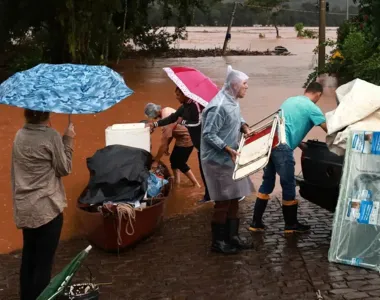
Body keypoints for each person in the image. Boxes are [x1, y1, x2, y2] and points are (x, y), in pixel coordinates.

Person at [11, 109, 75, 300]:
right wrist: (68, 139)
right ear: (48, 114)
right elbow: (64, 168)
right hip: (47, 209)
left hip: (26, 208)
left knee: (29, 258)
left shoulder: (19, 135)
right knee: (44, 263)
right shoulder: (52, 136)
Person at [250, 82, 327, 234]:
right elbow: (328, 129)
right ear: (318, 94)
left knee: (268, 181)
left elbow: (286, 126)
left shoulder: (289, 101)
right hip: (283, 148)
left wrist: (299, 144)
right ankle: (291, 225)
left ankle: (255, 222)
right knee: (289, 184)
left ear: (306, 90)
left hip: (271, 143)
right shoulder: (313, 108)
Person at [201, 65, 254, 255]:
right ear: (234, 85)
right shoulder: (218, 106)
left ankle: (232, 237)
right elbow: (208, 134)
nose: (247, 87)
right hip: (217, 160)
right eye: (244, 84)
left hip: (230, 156)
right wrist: (227, 149)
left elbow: (237, 119)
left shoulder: (232, 100)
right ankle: (218, 242)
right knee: (223, 201)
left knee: (234, 198)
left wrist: (245, 127)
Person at [147, 87, 211, 203]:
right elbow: (173, 119)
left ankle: (201, 189)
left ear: (185, 94)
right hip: (194, 142)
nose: (176, 97)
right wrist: (155, 124)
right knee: (176, 161)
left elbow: (196, 123)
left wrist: (156, 160)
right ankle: (179, 185)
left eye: (178, 95)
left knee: (184, 163)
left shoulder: (194, 106)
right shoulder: (184, 107)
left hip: (195, 141)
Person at [144, 103, 201, 187]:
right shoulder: (166, 109)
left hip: (187, 138)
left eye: (152, 116)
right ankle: (177, 182)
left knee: (180, 163)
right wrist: (167, 145)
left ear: (155, 113)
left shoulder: (166, 120)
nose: (153, 119)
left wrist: (156, 161)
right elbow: (171, 132)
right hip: (183, 136)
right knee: (173, 160)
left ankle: (196, 184)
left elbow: (163, 143)